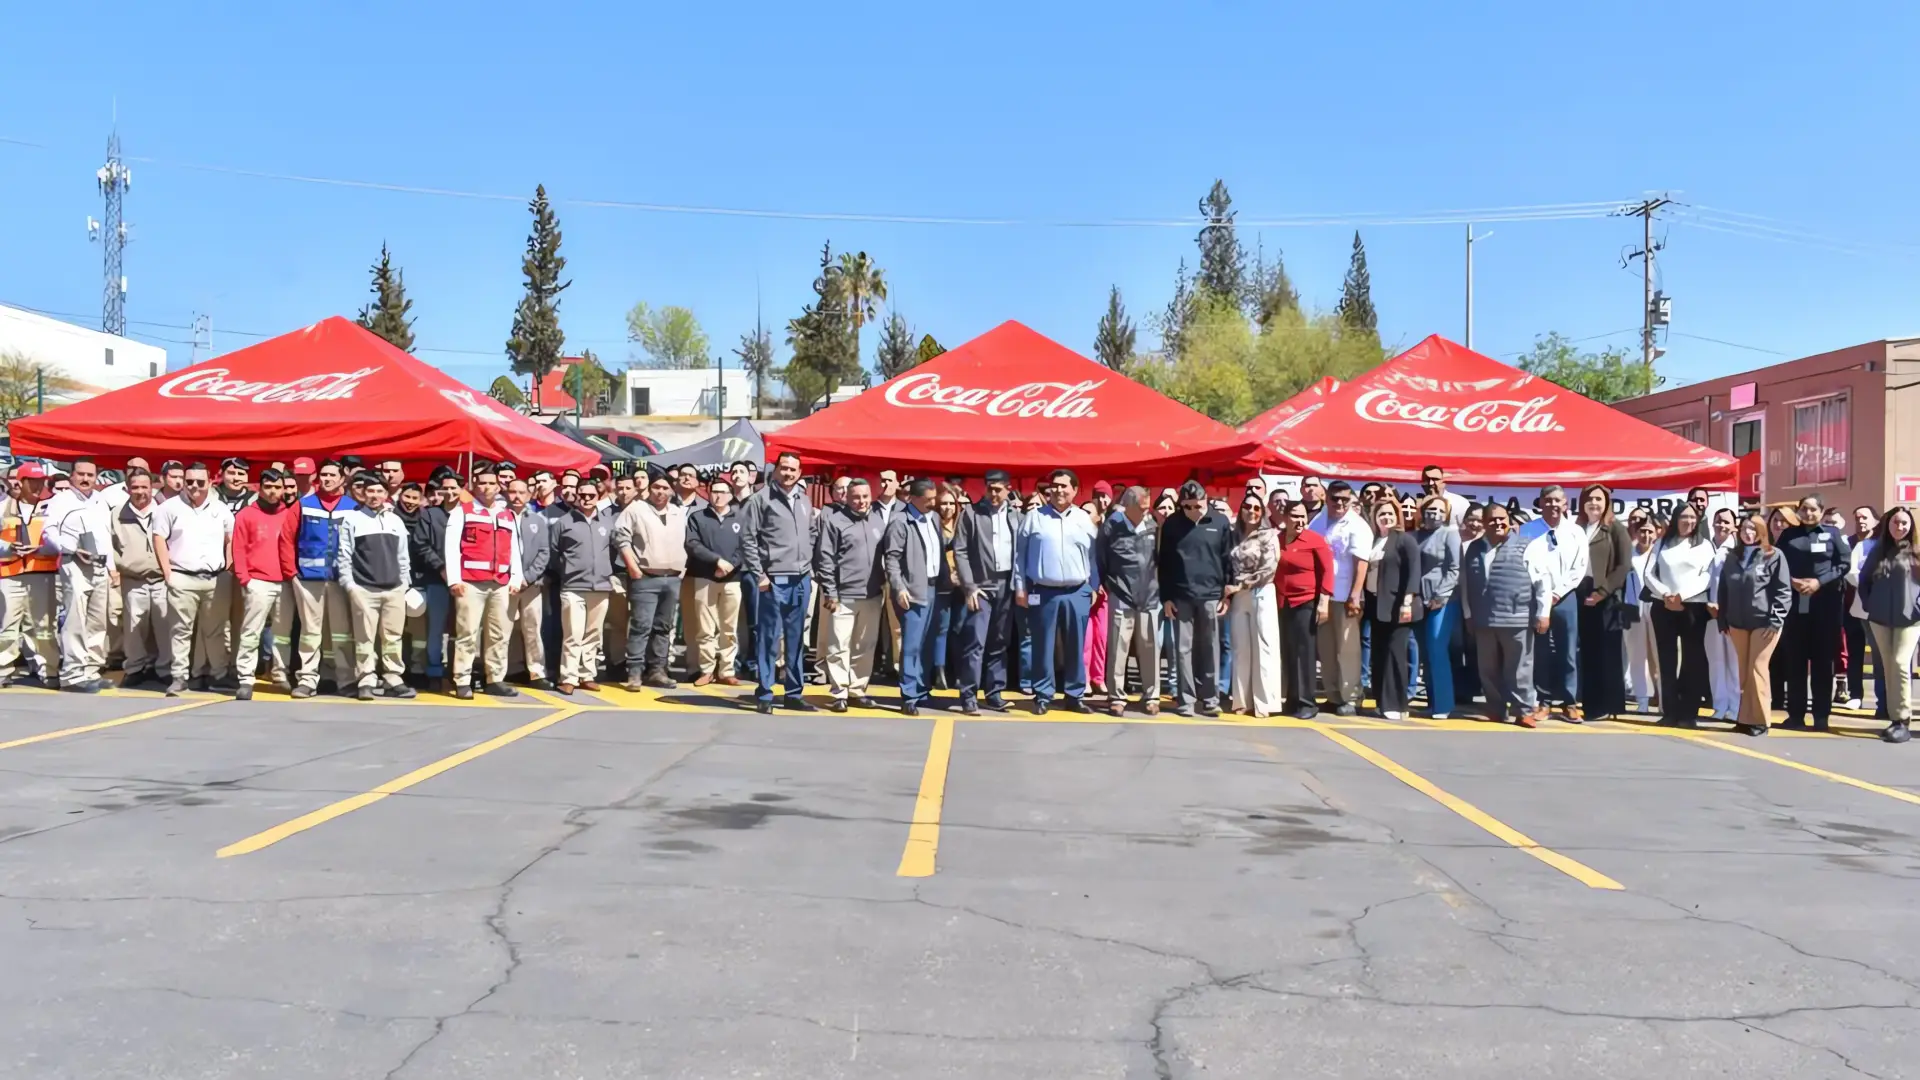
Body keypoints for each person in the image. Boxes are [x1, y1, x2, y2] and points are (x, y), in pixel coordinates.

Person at [741, 452, 820, 714]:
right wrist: (759, 575)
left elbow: (810, 532)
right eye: (784, 468)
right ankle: (765, 692)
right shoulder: (760, 500)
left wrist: (809, 566)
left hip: (801, 579)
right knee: (768, 639)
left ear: (799, 472)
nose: (788, 473)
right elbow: (748, 540)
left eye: (793, 469)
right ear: (776, 470)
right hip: (773, 580)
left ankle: (793, 693)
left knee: (797, 640)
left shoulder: (804, 500)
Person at [1015, 468, 1098, 715]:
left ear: (1075, 490)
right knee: (1043, 645)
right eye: (1055, 486)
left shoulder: (1084, 519)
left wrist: (1093, 586)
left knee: (1076, 645)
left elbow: (1093, 557)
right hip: (1043, 591)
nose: (1059, 490)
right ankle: (1043, 694)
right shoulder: (1034, 517)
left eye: (1064, 486)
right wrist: (1020, 587)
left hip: (1077, 592)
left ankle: (1074, 695)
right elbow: (1019, 556)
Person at [1460, 503, 1550, 728]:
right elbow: (1465, 584)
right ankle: (1495, 708)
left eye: (1502, 519)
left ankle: (1523, 711)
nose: (1498, 523)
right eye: (1492, 519)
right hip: (1483, 619)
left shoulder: (1527, 546)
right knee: (1488, 669)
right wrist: (1468, 614)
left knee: (1520, 668)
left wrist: (1543, 613)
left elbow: (1542, 582)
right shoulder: (1473, 548)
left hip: (1517, 618)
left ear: (1509, 521)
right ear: (1484, 523)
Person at [151, 463, 235, 696]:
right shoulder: (169, 508)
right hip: (182, 577)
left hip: (215, 579)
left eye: (200, 482)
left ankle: (218, 675)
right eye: (190, 482)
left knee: (215, 630)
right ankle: (179, 677)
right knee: (180, 631)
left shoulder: (220, 509)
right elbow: (159, 538)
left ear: (209, 482)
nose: (194, 486)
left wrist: (228, 567)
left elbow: (231, 538)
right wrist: (167, 573)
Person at [442, 466, 521, 699]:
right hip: (470, 583)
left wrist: (516, 578)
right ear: (474, 486)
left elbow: (515, 549)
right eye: (481, 483)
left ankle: (495, 678)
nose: (486, 487)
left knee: (500, 634)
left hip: (501, 583)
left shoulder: (507, 514)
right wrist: (454, 579)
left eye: (490, 483)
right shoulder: (462, 512)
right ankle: (462, 679)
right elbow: (451, 547)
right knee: (467, 633)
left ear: (498, 487)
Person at [334, 477, 414, 701]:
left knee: (393, 637)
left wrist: (404, 584)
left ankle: (392, 677)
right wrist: (350, 585)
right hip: (364, 589)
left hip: (394, 589)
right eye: (370, 491)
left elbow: (403, 555)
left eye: (379, 491)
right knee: (364, 638)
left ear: (386, 494)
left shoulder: (395, 521)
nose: (375, 495)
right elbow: (345, 554)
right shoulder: (353, 519)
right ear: (363, 493)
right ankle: (366, 678)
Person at [40, 458, 117, 692]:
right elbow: (48, 532)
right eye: (81, 474)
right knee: (75, 619)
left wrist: (112, 568)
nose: (85, 479)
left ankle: (91, 670)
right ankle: (73, 675)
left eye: (90, 475)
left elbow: (106, 537)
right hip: (75, 565)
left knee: (97, 621)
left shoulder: (100, 500)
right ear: (72, 476)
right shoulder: (61, 501)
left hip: (99, 566)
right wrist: (70, 549)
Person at [1776, 494, 1851, 730]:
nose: (1809, 514)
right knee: (1795, 662)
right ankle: (1795, 715)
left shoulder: (1832, 534)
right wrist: (1791, 581)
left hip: (1824, 605)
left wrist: (1819, 582)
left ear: (1821, 511)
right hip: (1796, 606)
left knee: (1822, 662)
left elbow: (1843, 563)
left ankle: (1821, 716)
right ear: (1798, 511)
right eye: (1805, 509)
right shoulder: (1789, 535)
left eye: (1814, 510)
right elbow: (1776, 564)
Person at [953, 469, 1024, 715]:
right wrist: (969, 586)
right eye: (990, 489)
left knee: (1000, 642)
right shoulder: (970, 514)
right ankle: (969, 695)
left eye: (998, 489)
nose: (994, 494)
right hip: (981, 586)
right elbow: (960, 551)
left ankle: (994, 692)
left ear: (1008, 488)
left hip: (1007, 585)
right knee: (975, 642)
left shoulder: (1016, 516)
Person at [1157, 481, 1230, 718]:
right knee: (1182, 649)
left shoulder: (1220, 522)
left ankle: (1210, 698)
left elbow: (1228, 560)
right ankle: (1186, 699)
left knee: (1209, 648)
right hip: (1181, 596)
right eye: (1186, 507)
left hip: (1210, 595)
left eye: (1196, 506)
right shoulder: (1172, 523)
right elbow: (1164, 563)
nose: (1192, 512)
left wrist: (1226, 594)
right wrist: (1166, 597)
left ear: (1206, 500)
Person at [813, 477, 887, 712]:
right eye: (856, 497)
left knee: (865, 645)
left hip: (872, 595)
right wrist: (831, 593)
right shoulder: (835, 521)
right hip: (842, 596)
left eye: (865, 497)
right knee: (838, 646)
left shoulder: (877, 520)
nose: (861, 501)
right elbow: (825, 559)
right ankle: (839, 692)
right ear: (847, 497)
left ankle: (857, 689)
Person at [1716, 513, 1792, 737]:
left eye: (1753, 529)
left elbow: (1783, 590)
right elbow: (1724, 589)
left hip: (1765, 622)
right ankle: (1745, 718)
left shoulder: (1774, 555)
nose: (1748, 533)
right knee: (1744, 671)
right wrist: (1723, 618)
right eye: (1744, 529)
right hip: (1738, 622)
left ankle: (1761, 720)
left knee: (1758, 668)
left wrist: (1776, 618)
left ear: (1761, 532)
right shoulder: (1732, 557)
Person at [1519, 485, 1589, 721]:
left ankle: (1569, 702)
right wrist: (1543, 595)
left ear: (1565, 504)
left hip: (1565, 596)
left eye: (1557, 501)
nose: (1553, 505)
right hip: (1536, 597)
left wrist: (1557, 593)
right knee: (1541, 651)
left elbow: (1578, 568)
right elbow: (1524, 563)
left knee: (1568, 650)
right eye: (1548, 500)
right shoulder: (1527, 530)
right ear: (1540, 503)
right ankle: (1544, 701)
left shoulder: (1576, 532)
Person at [291, 460, 359, 697]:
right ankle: (307, 680)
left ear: (343, 479)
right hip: (308, 580)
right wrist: (291, 572)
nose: (327, 479)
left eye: (332, 475)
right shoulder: (304, 505)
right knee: (310, 632)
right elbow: (287, 539)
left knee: (342, 633)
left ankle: (346, 680)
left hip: (340, 581)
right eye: (323, 475)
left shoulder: (353, 507)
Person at [1643, 504, 1715, 728]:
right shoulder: (1662, 542)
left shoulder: (1704, 545)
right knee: (1666, 660)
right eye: (1684, 516)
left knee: (1692, 660)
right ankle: (1670, 711)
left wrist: (1681, 595)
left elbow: (1707, 576)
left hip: (1693, 607)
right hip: (1663, 606)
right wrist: (1666, 594)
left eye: (1693, 517)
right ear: (1676, 519)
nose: (1688, 521)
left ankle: (1688, 712)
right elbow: (1648, 573)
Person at [614, 476, 687, 691]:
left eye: (665, 488)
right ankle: (635, 673)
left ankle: (657, 670)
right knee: (641, 626)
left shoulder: (678, 512)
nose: (660, 491)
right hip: (645, 577)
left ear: (671, 491)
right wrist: (633, 568)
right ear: (649, 488)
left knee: (664, 628)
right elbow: (620, 538)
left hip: (672, 578)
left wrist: (683, 569)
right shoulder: (636, 509)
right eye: (656, 487)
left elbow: (685, 542)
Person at [230, 468, 296, 698]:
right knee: (250, 632)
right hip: (257, 581)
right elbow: (237, 548)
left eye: (277, 487)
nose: (273, 492)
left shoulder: (289, 513)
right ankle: (246, 679)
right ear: (260, 487)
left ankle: (279, 674)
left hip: (285, 582)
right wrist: (244, 578)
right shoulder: (246, 514)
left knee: (282, 633)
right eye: (268, 487)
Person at [1096, 485, 1161, 717]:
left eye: (1147, 509)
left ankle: (1152, 696)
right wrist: (1106, 584)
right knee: (1118, 647)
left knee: (1150, 646)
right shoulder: (1113, 525)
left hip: (1150, 594)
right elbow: (1100, 556)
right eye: (1140, 509)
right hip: (1121, 593)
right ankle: (1116, 696)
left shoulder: (1154, 525)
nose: (1145, 512)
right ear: (1129, 505)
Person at [1310, 480, 1373, 716]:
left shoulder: (1358, 526)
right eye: (1335, 498)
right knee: (1326, 649)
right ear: (1326, 497)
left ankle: (1351, 697)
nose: (1339, 503)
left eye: (1344, 499)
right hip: (1322, 596)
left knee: (1347, 649)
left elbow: (1362, 564)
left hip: (1345, 594)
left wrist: (1355, 595)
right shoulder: (1318, 520)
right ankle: (1333, 694)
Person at [883, 479, 945, 715]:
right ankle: (908, 694)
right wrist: (899, 588)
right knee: (911, 645)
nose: (933, 503)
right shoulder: (900, 521)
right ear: (914, 498)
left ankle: (922, 688)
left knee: (927, 643)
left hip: (933, 588)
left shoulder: (934, 518)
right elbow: (892, 558)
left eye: (934, 498)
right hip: (913, 591)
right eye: (928, 499)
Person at [550, 478, 616, 694]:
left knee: (593, 635)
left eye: (591, 496)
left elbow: (614, 550)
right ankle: (568, 677)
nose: (587, 499)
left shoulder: (607, 523)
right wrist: (567, 570)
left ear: (598, 497)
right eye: (583, 495)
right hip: (573, 587)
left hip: (601, 587)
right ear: (576, 496)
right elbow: (553, 552)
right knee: (573, 634)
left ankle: (587, 674)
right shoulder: (564, 522)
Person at [1858, 507, 1918, 743]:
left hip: (1910, 619)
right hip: (1880, 618)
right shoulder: (1878, 550)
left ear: (1911, 525)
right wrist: (1870, 604)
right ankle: (1894, 719)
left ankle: (1903, 719)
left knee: (1901, 664)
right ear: (1888, 524)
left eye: (1904, 523)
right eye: (1895, 522)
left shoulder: (1916, 551)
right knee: (1888, 667)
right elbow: (1864, 580)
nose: (1899, 527)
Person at [1574, 484, 1633, 722]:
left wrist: (1603, 591)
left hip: (1607, 597)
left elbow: (1623, 566)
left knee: (1608, 652)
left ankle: (1610, 704)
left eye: (1599, 499)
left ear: (1607, 502)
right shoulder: (1577, 528)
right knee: (1588, 652)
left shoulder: (1615, 528)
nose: (1594, 503)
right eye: (1590, 499)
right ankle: (1591, 704)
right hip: (1581, 593)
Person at [110, 468, 170, 689]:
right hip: (133, 579)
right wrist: (120, 565)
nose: (140, 492)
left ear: (152, 488)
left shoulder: (165, 511)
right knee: (134, 628)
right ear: (127, 489)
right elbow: (111, 545)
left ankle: (164, 669)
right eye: (135, 487)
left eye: (144, 487)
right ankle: (135, 669)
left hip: (163, 578)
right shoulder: (116, 514)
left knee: (164, 626)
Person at [0, 462, 59, 686]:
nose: (37, 486)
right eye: (31, 481)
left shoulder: (50, 508)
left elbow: (59, 542)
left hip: (42, 574)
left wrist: (40, 548)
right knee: (7, 627)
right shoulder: (3, 508)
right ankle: (3, 669)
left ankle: (49, 670)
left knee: (44, 627)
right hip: (10, 574)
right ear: (21, 482)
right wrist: (8, 548)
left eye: (40, 481)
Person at [1224, 493, 1282, 718]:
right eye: (1247, 506)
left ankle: (1264, 703)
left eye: (1257, 508)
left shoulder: (1269, 535)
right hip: (1238, 596)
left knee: (1264, 647)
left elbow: (1268, 569)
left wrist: (1241, 585)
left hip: (1261, 592)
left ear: (1263, 511)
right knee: (1241, 648)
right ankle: (1240, 700)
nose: (1252, 511)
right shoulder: (1234, 535)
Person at [684, 475, 745, 687]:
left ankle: (727, 670)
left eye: (723, 492)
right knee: (705, 628)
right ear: (708, 494)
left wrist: (730, 565)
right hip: (704, 577)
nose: (718, 496)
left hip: (732, 580)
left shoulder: (741, 518)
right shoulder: (697, 517)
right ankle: (707, 670)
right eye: (714, 491)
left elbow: (746, 546)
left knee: (729, 628)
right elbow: (692, 544)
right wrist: (716, 562)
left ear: (731, 495)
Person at [1275, 500, 1333, 720]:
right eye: (1295, 516)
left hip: (1305, 602)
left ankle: (1307, 701)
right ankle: (1292, 699)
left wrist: (1324, 601)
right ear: (1285, 518)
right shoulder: (1277, 540)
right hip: (1282, 602)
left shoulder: (1314, 540)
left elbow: (1328, 571)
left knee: (1304, 653)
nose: (1300, 521)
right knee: (1288, 651)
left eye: (1302, 516)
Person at [1365, 499, 1421, 720]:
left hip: (1398, 608)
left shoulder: (1405, 540)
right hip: (1376, 607)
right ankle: (1380, 700)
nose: (1386, 517)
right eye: (1381, 514)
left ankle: (1397, 704)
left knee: (1395, 656)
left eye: (1390, 513)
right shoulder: (1374, 541)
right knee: (1378, 656)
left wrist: (1407, 601)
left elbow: (1414, 572)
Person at [396, 480, 451, 688]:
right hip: (397, 579)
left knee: (422, 629)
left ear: (421, 501)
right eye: (407, 496)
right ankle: (399, 670)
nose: (410, 501)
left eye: (414, 498)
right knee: (397, 629)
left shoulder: (426, 517)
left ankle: (419, 670)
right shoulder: (390, 517)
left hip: (425, 579)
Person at [1412, 495, 1462, 719]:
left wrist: (1441, 595)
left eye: (1441, 510)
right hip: (1418, 599)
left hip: (1441, 601)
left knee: (1437, 649)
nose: (1435, 513)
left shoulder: (1450, 534)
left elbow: (1454, 569)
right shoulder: (1417, 534)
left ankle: (1443, 704)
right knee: (1424, 652)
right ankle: (1432, 700)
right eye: (1431, 509)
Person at [505, 478, 554, 690]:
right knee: (504, 629)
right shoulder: (499, 518)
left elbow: (544, 552)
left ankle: (536, 671)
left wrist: (529, 577)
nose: (516, 496)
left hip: (531, 584)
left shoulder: (537, 520)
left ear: (528, 494)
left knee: (532, 628)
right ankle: (509, 669)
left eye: (521, 492)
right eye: (512, 492)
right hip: (504, 583)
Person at [1701, 508, 1742, 722]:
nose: (1721, 525)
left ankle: (1735, 708)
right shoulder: (1706, 547)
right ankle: (1719, 705)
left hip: (1732, 613)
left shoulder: (1737, 549)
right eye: (1718, 521)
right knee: (1716, 661)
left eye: (1726, 522)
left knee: (1733, 662)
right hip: (1709, 613)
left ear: (1734, 526)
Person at [1842, 506, 1880, 712]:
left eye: (1865, 517)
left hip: (1879, 609)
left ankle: (1882, 697)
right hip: (1852, 606)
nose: (1860, 521)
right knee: (1854, 651)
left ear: (1876, 520)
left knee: (1879, 653)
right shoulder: (1848, 544)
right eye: (1856, 518)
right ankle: (1855, 694)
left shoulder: (1882, 545)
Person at [931, 487, 965, 691]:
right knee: (941, 629)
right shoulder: (933, 525)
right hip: (941, 584)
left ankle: (958, 672)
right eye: (944, 503)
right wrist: (947, 576)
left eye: (951, 503)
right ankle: (939, 672)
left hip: (962, 585)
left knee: (959, 629)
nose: (947, 507)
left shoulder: (962, 525)